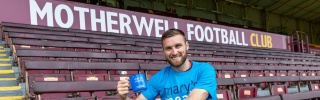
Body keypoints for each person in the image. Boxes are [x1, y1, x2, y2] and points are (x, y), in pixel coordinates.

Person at [117, 29, 217, 100]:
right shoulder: (159, 78)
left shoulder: (205, 70)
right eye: (168, 48)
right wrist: (124, 97)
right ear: (163, 51)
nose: (174, 52)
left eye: (178, 46)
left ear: (187, 46)